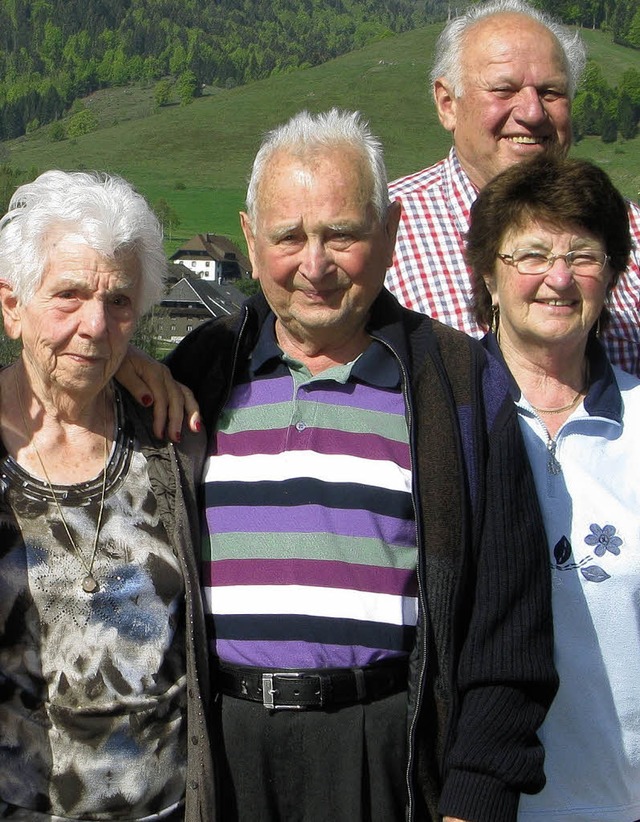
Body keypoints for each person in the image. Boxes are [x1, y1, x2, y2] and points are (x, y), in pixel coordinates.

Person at [128, 108, 558, 822]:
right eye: (289, 237)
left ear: (389, 232)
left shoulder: (457, 383)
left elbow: (508, 625)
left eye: (342, 234)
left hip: (386, 752)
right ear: (249, 238)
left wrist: (475, 800)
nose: (315, 265)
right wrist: (124, 369)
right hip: (224, 755)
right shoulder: (200, 371)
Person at [0, 171, 214, 821]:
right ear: (11, 306)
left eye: (118, 301)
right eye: (68, 295)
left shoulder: (172, 440)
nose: (95, 324)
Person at [466, 154, 640, 822]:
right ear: (488, 271)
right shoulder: (437, 418)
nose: (559, 279)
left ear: (613, 274)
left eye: (583, 255)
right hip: (471, 806)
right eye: (530, 254)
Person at [385, 0, 640, 376]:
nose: (532, 112)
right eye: (504, 90)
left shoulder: (630, 229)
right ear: (447, 104)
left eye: (551, 92)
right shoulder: (385, 230)